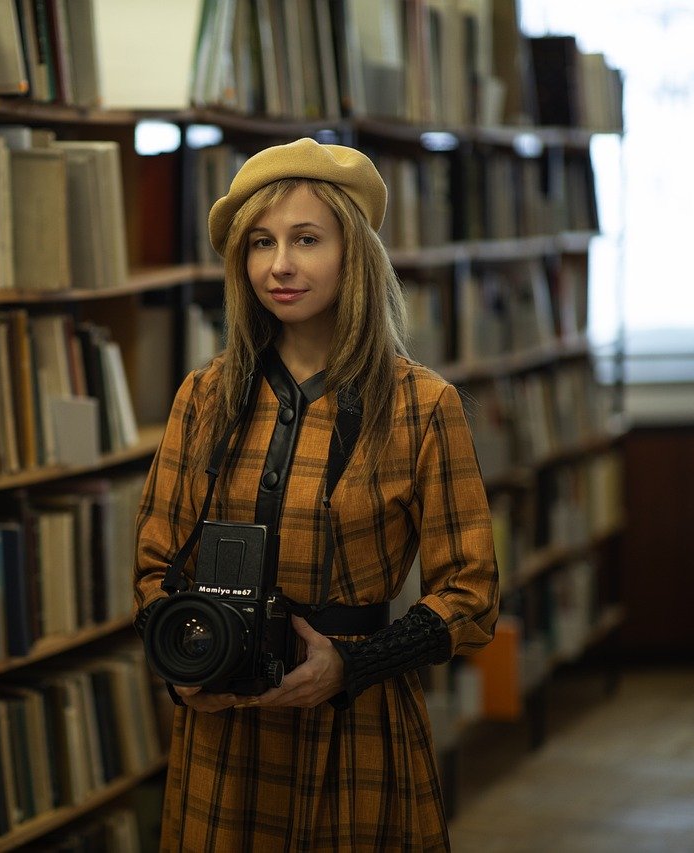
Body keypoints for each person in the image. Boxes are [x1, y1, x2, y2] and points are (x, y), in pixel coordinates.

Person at [133, 138, 499, 851]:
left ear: (353, 254)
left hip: (356, 727)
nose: (280, 265)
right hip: (224, 738)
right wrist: (185, 674)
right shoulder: (203, 397)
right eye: (261, 243)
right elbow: (153, 564)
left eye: (307, 239)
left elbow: (471, 591)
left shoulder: (423, 405)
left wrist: (352, 665)